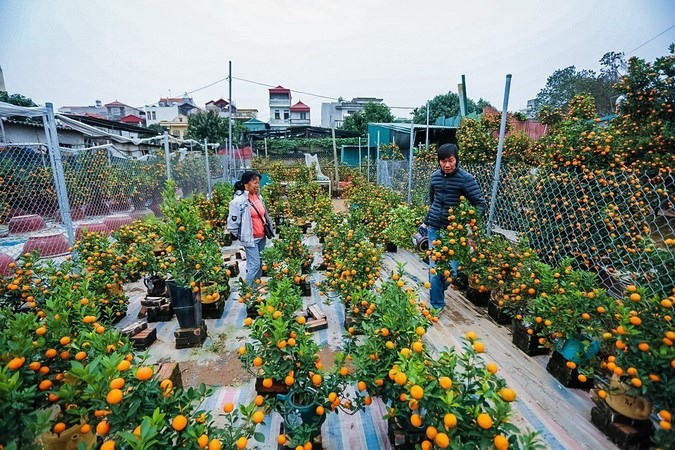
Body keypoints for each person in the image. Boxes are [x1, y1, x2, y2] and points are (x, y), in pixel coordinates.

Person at [423, 143, 486, 309]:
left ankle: (438, 291)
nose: (447, 164)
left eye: (450, 160)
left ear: (456, 160)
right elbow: (433, 200)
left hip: (455, 235)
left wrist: (467, 221)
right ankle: (437, 304)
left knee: (451, 272)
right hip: (435, 229)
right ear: (439, 162)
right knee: (436, 270)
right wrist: (427, 220)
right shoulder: (435, 177)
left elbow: (479, 203)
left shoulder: (466, 179)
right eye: (443, 161)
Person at [227, 171, 272, 285]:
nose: (257, 185)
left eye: (258, 183)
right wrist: (243, 235)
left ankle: (255, 288)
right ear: (245, 184)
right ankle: (248, 291)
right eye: (255, 182)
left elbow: (263, 214)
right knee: (254, 265)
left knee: (259, 263)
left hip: (261, 236)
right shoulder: (238, 201)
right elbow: (232, 225)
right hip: (250, 239)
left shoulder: (258, 197)